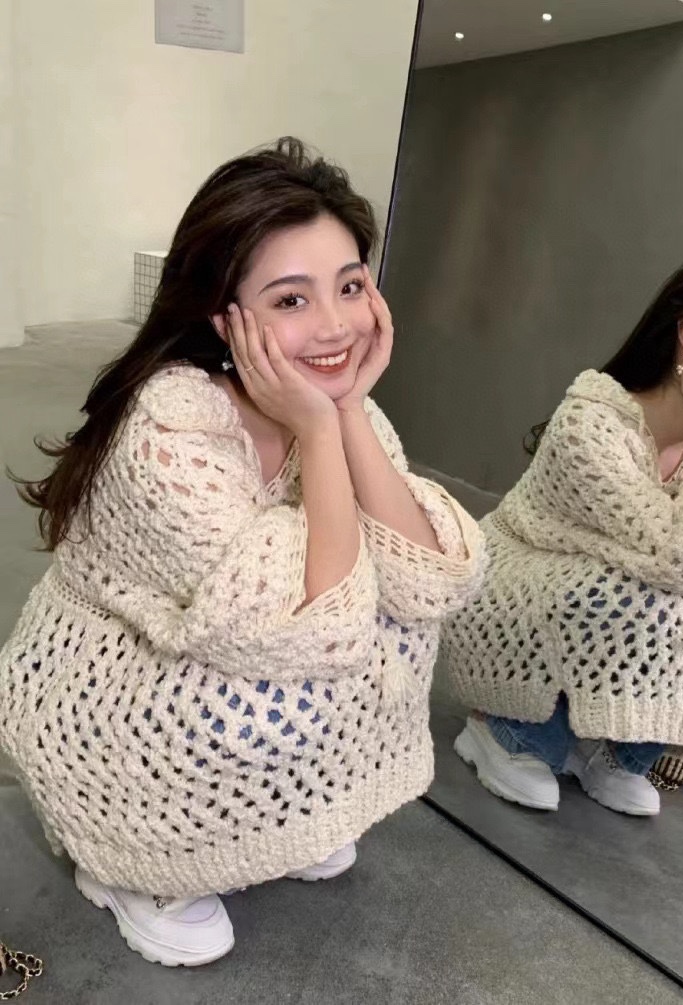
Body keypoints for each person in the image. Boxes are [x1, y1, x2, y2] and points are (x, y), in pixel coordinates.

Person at [0, 138, 485, 966]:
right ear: (221, 315)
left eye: (351, 286)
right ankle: (133, 862)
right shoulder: (170, 427)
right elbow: (304, 624)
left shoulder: (332, 401)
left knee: (399, 623)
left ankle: (270, 815)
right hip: (125, 689)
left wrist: (346, 412)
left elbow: (429, 577)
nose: (335, 325)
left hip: (257, 637)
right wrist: (320, 428)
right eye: (291, 299)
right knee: (273, 686)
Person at [443, 244, 683, 817]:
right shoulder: (591, 421)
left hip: (606, 598)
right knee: (647, 594)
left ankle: (611, 749)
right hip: (520, 590)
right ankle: (506, 729)